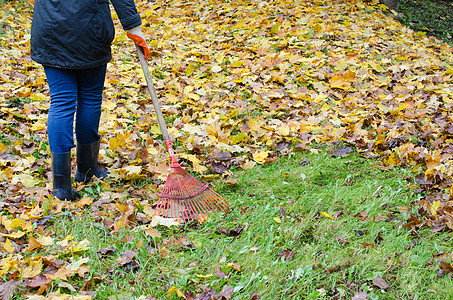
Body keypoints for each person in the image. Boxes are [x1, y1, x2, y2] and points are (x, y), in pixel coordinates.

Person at [30, 0, 150, 200]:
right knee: (89, 99)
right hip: (89, 31)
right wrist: (133, 27)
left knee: (61, 101)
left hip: (50, 30)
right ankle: (87, 170)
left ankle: (62, 187)